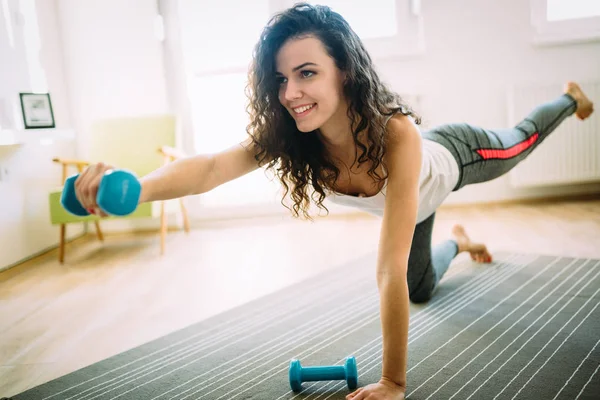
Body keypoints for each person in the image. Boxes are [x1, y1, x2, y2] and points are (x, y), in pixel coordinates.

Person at [73, 3, 595, 400]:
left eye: (307, 73)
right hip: (410, 204)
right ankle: (457, 243)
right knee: (420, 291)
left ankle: (570, 99)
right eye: (280, 79)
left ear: (343, 70)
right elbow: (211, 167)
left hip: (453, 156)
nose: (290, 92)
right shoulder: (294, 135)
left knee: (521, 141)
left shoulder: (397, 134)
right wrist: (137, 189)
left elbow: (386, 268)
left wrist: (393, 379)